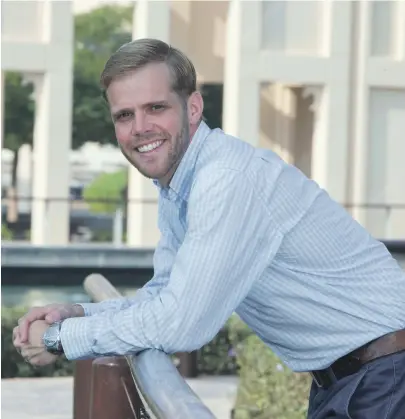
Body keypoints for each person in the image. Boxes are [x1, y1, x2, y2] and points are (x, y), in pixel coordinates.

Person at [13, 38, 405, 418]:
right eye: (124, 115)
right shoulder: (180, 185)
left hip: (386, 375)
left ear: (194, 107)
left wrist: (59, 340)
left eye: (156, 107)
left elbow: (181, 324)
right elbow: (165, 297)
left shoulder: (225, 179)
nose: (140, 127)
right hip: (354, 377)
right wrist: (79, 313)